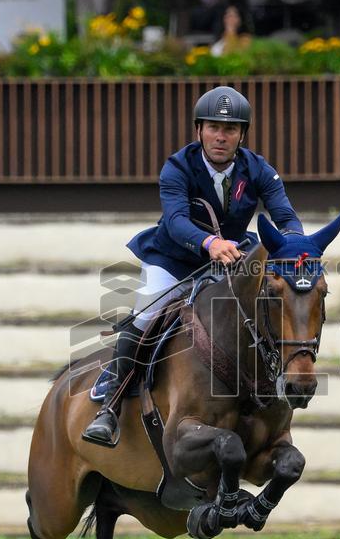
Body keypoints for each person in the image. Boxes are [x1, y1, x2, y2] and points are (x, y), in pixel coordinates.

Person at [82, 86, 305, 447]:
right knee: (145, 316)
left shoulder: (258, 169)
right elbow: (176, 221)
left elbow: (285, 215)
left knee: (264, 309)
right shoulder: (178, 167)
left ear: (241, 135)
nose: (221, 136)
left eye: (230, 129)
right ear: (198, 130)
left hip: (229, 260)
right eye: (213, 127)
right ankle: (110, 406)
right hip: (175, 259)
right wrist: (209, 243)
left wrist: (298, 244)